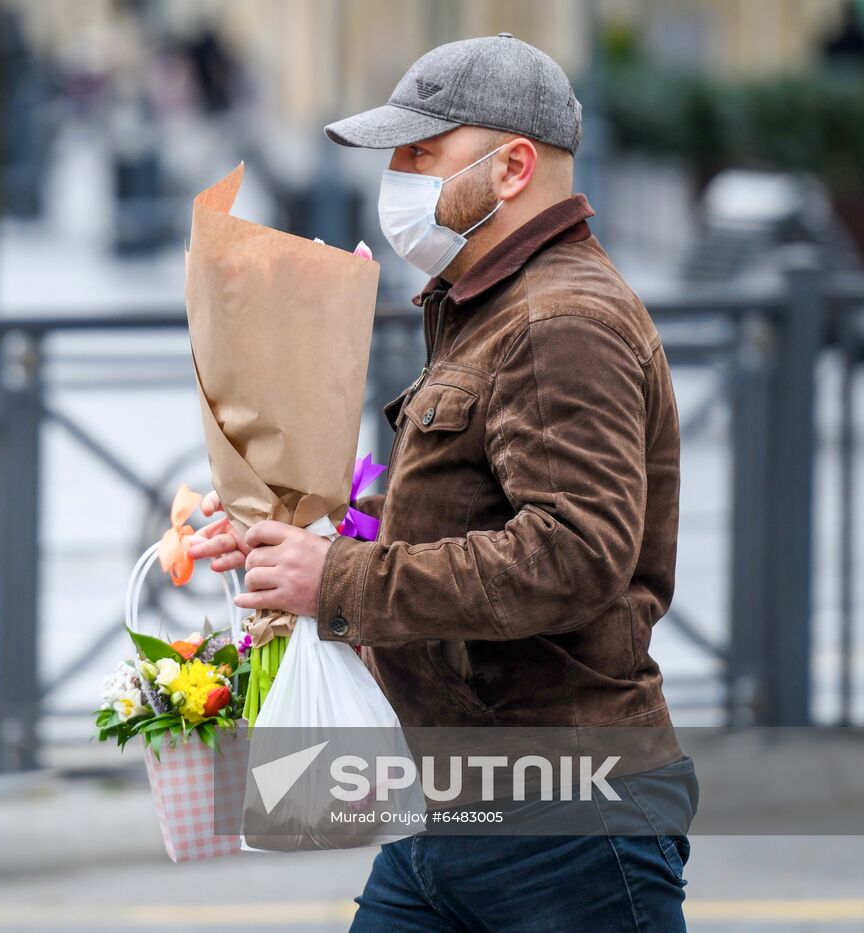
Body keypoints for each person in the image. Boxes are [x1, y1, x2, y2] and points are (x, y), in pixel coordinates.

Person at [188, 33, 697, 931]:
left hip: (566, 822)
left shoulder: (561, 318)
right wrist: (304, 543)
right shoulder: (489, 305)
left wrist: (338, 581)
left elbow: (574, 554)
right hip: (452, 801)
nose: (400, 172)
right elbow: (466, 511)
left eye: (424, 150)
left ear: (514, 167)